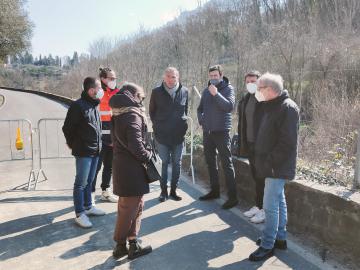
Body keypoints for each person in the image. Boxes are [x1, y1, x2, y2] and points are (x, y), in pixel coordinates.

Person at [248, 72, 299, 261]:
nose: (257, 92)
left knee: (270, 206)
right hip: (272, 164)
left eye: (259, 88)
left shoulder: (287, 108)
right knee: (279, 201)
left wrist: (268, 162)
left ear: (269, 90)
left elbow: (287, 143)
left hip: (276, 166)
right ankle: (280, 238)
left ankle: (267, 245)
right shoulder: (273, 105)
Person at [109, 82, 152, 260]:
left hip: (124, 166)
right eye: (140, 97)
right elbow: (137, 147)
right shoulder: (132, 115)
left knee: (133, 206)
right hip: (131, 169)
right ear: (133, 96)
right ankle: (120, 245)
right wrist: (148, 156)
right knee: (129, 208)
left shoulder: (119, 112)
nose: (141, 101)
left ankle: (133, 243)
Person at [62, 77, 106, 228]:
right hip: (84, 151)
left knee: (90, 180)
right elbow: (67, 128)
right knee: (80, 183)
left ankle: (88, 206)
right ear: (91, 90)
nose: (102, 90)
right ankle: (80, 213)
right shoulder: (77, 106)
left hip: (95, 150)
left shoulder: (94, 105)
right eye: (99, 87)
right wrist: (72, 144)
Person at [197, 64, 238, 209]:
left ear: (221, 75)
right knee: (210, 162)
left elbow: (229, 107)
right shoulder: (206, 91)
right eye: (211, 76)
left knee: (227, 164)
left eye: (215, 76)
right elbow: (199, 109)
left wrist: (216, 94)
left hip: (222, 131)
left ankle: (233, 198)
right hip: (208, 132)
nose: (213, 78)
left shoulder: (228, 89)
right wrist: (201, 120)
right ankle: (214, 191)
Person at [149, 67, 189, 202]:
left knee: (177, 163)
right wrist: (158, 127)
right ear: (164, 78)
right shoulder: (156, 92)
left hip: (178, 136)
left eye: (173, 77)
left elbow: (186, 112)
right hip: (162, 136)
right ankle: (163, 191)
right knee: (164, 163)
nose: (171, 79)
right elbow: (152, 112)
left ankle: (174, 190)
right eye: (168, 76)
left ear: (178, 77)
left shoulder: (185, 91)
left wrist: (183, 127)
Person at [237, 70, 266, 224]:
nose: (250, 84)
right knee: (256, 177)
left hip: (262, 147)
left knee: (263, 178)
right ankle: (258, 205)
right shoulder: (246, 99)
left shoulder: (264, 99)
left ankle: (265, 210)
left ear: (259, 82)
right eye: (248, 81)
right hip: (250, 145)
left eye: (253, 81)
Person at [91, 67, 120, 204]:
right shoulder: (98, 93)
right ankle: (89, 195)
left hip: (112, 138)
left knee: (109, 166)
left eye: (115, 78)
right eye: (111, 78)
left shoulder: (117, 93)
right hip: (99, 139)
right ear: (103, 79)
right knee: (95, 168)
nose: (114, 81)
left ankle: (105, 192)